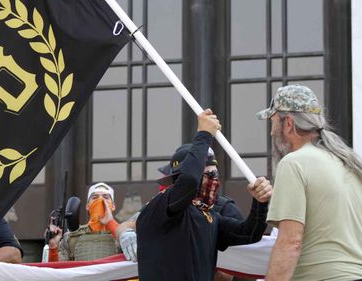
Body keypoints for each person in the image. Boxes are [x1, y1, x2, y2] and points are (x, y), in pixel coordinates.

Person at [135, 109, 273, 281]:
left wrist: (260, 203)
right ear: (179, 179)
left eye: (215, 174)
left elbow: (249, 233)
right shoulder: (160, 206)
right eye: (207, 175)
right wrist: (204, 134)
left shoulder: (209, 216)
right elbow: (189, 182)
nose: (213, 181)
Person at [256, 85, 362, 280]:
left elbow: (291, 241)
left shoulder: (294, 163)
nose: (272, 133)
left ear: (288, 123)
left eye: (273, 123)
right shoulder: (350, 163)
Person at [48, 182, 120, 261]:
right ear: (87, 206)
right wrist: (53, 246)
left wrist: (111, 224)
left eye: (106, 197)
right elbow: (57, 270)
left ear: (113, 206)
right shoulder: (72, 238)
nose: (100, 200)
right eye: (95, 197)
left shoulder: (123, 235)